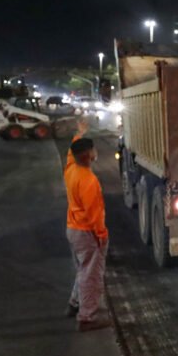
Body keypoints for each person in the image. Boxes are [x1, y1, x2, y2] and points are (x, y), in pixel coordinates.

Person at [64, 123, 110, 331]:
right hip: (87, 232)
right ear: (89, 155)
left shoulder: (71, 169)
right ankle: (87, 318)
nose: (95, 152)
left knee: (83, 270)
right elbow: (95, 214)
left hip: (73, 229)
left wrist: (78, 134)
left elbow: (71, 152)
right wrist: (101, 235)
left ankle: (74, 304)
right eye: (93, 149)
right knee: (91, 275)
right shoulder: (89, 181)